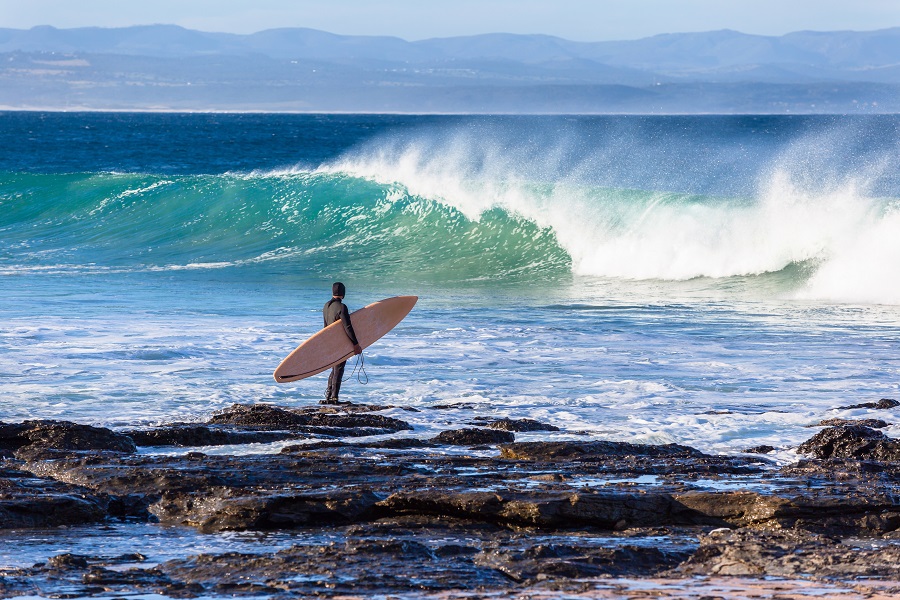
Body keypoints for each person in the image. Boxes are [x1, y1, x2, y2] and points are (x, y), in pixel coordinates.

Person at [322, 282, 363, 404]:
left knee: (335, 368)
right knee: (339, 368)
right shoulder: (342, 307)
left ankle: (329, 396)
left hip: (329, 341)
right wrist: (355, 344)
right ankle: (334, 398)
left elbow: (325, 327)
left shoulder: (326, 306)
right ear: (343, 294)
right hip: (339, 342)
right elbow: (348, 327)